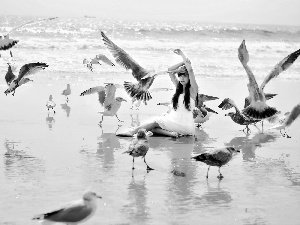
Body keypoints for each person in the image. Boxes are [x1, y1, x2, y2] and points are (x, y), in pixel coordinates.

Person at [117, 49, 199, 137]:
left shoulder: (193, 90)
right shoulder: (178, 88)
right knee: (152, 127)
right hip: (176, 121)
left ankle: (132, 131)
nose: (182, 78)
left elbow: (190, 70)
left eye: (184, 76)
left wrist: (182, 55)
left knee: (154, 123)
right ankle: (171, 134)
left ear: (189, 78)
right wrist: (182, 63)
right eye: (180, 76)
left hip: (184, 125)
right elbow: (170, 70)